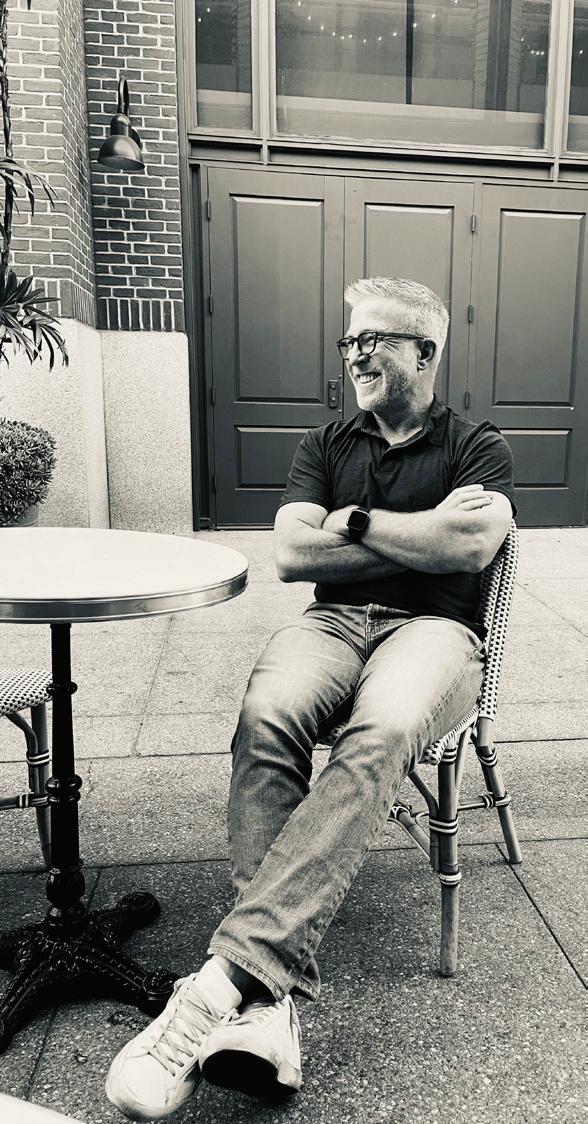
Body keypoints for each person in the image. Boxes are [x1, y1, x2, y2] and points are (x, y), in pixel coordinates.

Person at [105, 276, 516, 1121]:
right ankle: (266, 1005)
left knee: (383, 729)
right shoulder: (325, 442)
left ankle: (219, 984)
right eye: (349, 341)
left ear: (425, 352)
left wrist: (350, 523)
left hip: (437, 633)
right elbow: (293, 555)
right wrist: (418, 536)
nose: (355, 355)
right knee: (267, 717)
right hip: (332, 625)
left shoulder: (477, 445)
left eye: (374, 340)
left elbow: (474, 543)